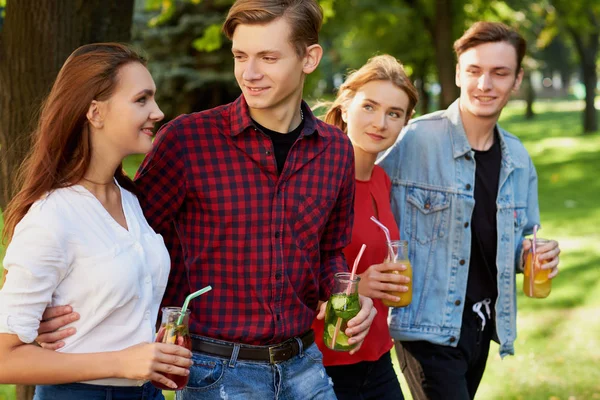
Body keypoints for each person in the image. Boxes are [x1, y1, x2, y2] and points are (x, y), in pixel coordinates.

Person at [36, 1, 376, 399]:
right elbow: (122, 238)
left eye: (268, 57)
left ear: (309, 58)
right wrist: (51, 303)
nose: (249, 74)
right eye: (240, 56)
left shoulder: (335, 150)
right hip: (214, 373)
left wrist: (347, 296)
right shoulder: (187, 142)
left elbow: (329, 252)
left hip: (305, 366)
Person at [378, 22, 561, 400]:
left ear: (516, 79)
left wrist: (533, 254)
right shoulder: (414, 140)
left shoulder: (519, 159)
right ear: (459, 71)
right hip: (425, 327)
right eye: (475, 70)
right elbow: (359, 199)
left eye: (500, 73)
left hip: (481, 326)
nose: (485, 84)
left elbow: (520, 241)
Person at [0, 43, 192, 399]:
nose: (158, 111)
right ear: (95, 113)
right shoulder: (52, 217)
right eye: (142, 100)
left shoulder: (131, 200)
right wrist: (120, 362)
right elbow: (3, 359)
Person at [311, 55, 418, 400]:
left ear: (405, 122)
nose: (380, 123)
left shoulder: (382, 180)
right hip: (321, 364)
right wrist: (356, 285)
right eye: (369, 106)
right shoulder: (316, 181)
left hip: (376, 357)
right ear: (344, 106)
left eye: (394, 113)